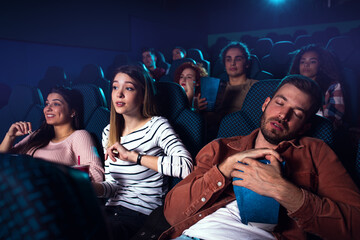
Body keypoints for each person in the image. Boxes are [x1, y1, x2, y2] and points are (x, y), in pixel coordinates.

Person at [161, 75, 360, 240]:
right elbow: (172, 213)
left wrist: (284, 191)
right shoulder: (220, 148)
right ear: (265, 104)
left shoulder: (316, 152)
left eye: (297, 114)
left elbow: (355, 225)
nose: (283, 115)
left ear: (306, 126)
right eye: (279, 103)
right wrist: (222, 171)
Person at [92, 65, 193, 240]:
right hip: (110, 212)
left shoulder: (156, 126)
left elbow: (186, 167)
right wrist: (94, 189)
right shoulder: (109, 132)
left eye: (128, 88)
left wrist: (134, 157)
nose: (119, 94)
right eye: (115, 87)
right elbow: (113, 186)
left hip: (141, 215)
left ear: (143, 94)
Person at [0, 86, 104, 182]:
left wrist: (50, 173)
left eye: (56, 104)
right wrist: (10, 136)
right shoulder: (38, 134)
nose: (48, 109)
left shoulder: (79, 136)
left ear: (72, 112)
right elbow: (3, 160)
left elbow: (96, 174)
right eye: (47, 104)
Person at [206, 41, 258, 140]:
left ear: (246, 63)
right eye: (228, 59)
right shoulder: (215, 87)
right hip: (215, 137)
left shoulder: (256, 87)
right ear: (224, 64)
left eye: (238, 59)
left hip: (244, 136)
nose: (232, 63)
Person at [288, 44, 345, 128]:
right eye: (302, 62)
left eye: (312, 61)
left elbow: (333, 119)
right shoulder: (290, 85)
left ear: (321, 65)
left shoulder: (333, 86)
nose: (306, 65)